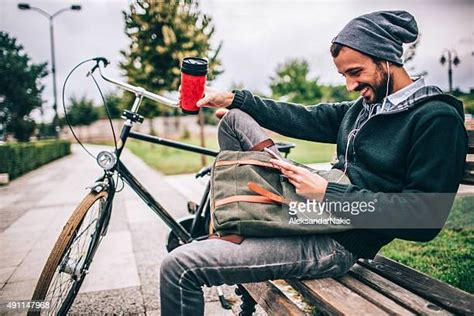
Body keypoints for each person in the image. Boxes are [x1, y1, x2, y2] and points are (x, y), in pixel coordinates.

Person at [160, 10, 468, 315]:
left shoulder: (435, 118)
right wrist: (233, 99)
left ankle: (245, 225)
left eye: (355, 72)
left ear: (385, 59)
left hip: (336, 240)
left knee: (179, 266)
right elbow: (306, 118)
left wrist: (326, 194)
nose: (350, 85)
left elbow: (425, 217)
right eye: (344, 75)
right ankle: (244, 217)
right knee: (234, 120)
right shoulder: (366, 107)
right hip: (308, 208)